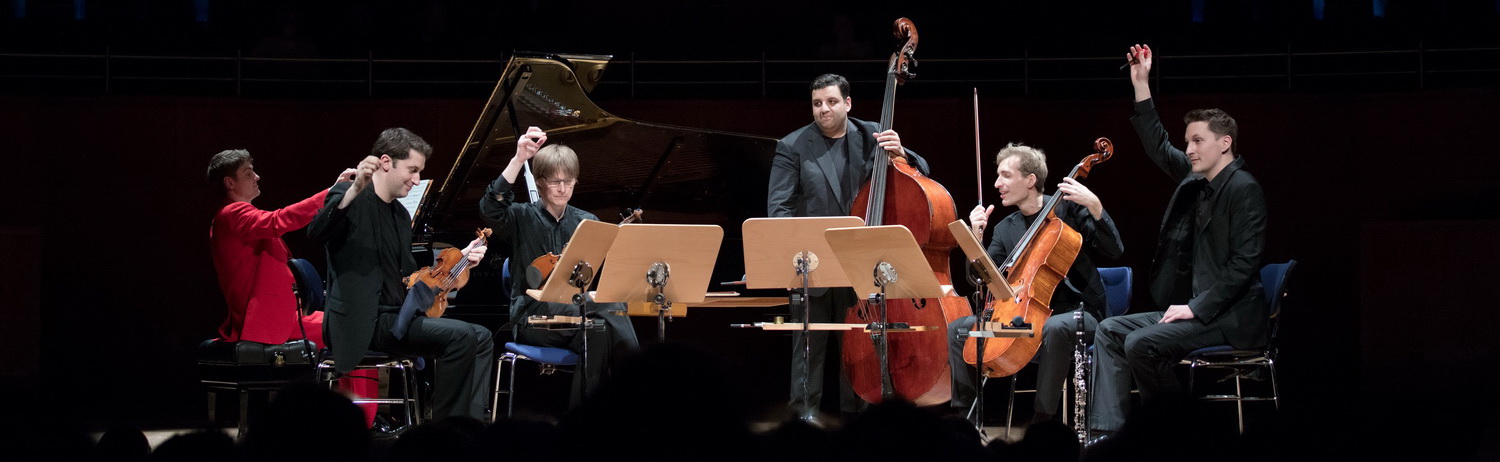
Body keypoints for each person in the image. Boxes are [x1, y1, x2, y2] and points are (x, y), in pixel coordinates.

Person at [1087, 44, 1268, 442]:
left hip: (1229, 318)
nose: (1189, 149)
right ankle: (1107, 436)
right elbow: (1157, 145)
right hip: (1196, 309)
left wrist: (1195, 307)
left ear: (1225, 143)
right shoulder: (1197, 178)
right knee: (1110, 330)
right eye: (1187, 142)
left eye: (1197, 141)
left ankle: (1176, 434)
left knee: (1140, 343)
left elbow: (1244, 265)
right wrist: (1141, 84)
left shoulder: (1244, 189)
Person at [766, 73, 930, 421]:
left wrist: (902, 154)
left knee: (860, 352)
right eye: (817, 103)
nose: (823, 109)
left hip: (861, 263)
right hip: (813, 267)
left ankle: (858, 425)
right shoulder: (792, 146)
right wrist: (789, 258)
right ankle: (803, 422)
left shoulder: (873, 135)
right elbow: (778, 210)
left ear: (848, 103)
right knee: (808, 351)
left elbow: (922, 172)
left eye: (831, 102)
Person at [309, 127, 495, 420]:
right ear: (386, 162)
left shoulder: (400, 214)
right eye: (412, 170)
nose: (417, 180)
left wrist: (459, 262)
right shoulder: (348, 195)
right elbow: (316, 232)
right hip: (360, 321)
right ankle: (447, 430)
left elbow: (409, 277)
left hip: (395, 319)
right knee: (460, 336)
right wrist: (354, 189)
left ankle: (469, 424)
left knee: (482, 337)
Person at [945, 143, 1124, 424]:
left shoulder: (1069, 211)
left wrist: (1094, 205)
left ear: (1030, 180)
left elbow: (1114, 250)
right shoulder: (1005, 228)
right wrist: (976, 240)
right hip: (1023, 322)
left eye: (1005, 175)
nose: (997, 184)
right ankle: (965, 422)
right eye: (998, 176)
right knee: (959, 328)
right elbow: (983, 281)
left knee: (1055, 327)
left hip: (1079, 314)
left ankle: (1042, 422)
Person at [206, 149, 379, 426]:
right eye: (248, 173)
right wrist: (331, 192)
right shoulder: (233, 213)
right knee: (357, 330)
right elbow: (279, 220)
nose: (257, 176)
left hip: (288, 317)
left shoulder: (240, 216)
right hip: (270, 323)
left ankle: (356, 417)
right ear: (230, 182)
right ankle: (362, 422)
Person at [479, 127, 640, 407]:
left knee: (599, 330)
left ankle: (586, 420)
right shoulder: (520, 217)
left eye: (569, 181)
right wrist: (518, 159)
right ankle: (643, 381)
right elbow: (490, 207)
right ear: (540, 182)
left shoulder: (587, 222)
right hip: (532, 317)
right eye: (555, 182)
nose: (563, 188)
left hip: (578, 315)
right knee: (609, 305)